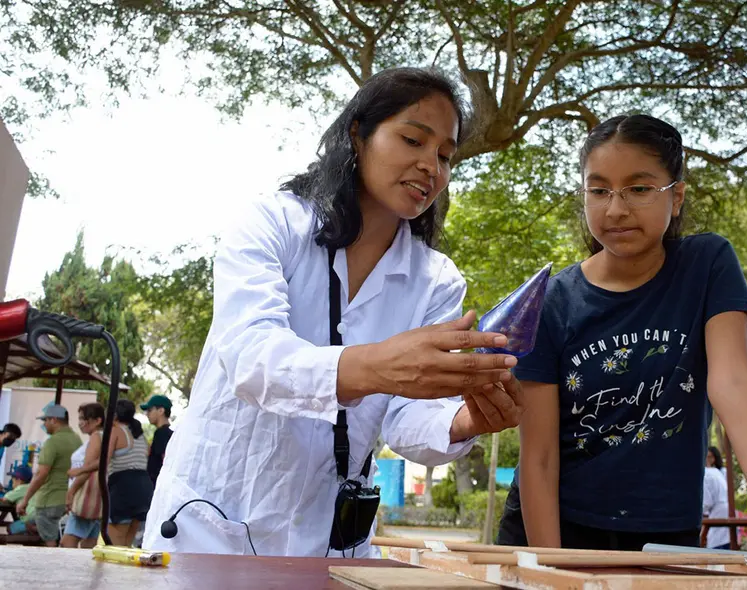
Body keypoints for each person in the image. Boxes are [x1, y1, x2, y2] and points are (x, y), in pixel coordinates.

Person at [143, 67, 523, 558]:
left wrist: (465, 421)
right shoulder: (272, 222)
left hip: (331, 543)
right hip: (208, 522)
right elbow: (250, 357)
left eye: (445, 156)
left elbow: (407, 421)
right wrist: (378, 365)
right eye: (413, 139)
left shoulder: (437, 280)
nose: (431, 166)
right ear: (357, 135)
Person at [495, 114, 747, 557]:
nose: (616, 208)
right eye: (598, 190)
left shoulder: (707, 264)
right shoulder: (552, 301)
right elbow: (539, 458)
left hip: (665, 535)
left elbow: (733, 380)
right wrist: (551, 568)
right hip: (557, 530)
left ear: (676, 196)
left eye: (639, 189)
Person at [16, 402, 82, 546]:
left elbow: (41, 473)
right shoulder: (77, 440)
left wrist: (25, 500)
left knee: (50, 544)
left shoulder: (52, 442)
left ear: (54, 420)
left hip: (49, 500)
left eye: (45, 420)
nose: (44, 424)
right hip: (70, 500)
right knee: (66, 541)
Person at [104, 399, 154, 547]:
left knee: (116, 545)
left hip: (123, 488)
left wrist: (79, 470)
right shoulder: (139, 434)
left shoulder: (116, 430)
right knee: (127, 545)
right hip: (143, 488)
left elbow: (104, 461)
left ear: (114, 415)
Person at [62, 402, 105, 548]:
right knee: (89, 543)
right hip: (96, 497)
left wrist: (71, 491)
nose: (80, 423)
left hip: (86, 494)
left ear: (97, 420)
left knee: (68, 542)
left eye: (83, 419)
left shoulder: (96, 437)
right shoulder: (104, 436)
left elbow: (88, 469)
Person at [140, 394, 173, 487]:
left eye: (150, 410)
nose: (147, 414)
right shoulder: (168, 433)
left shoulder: (162, 433)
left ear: (161, 411)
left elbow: (165, 460)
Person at [702, 446, 730, 549]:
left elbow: (706, 503)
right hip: (725, 513)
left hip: (717, 516)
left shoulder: (706, 474)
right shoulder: (717, 472)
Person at [2, 464, 36, 534]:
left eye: (13, 479)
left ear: (19, 480)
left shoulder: (20, 488)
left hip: (29, 519)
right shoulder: (32, 487)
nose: (12, 482)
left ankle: (32, 529)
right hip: (40, 517)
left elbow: (4, 500)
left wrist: (2, 491)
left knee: (10, 528)